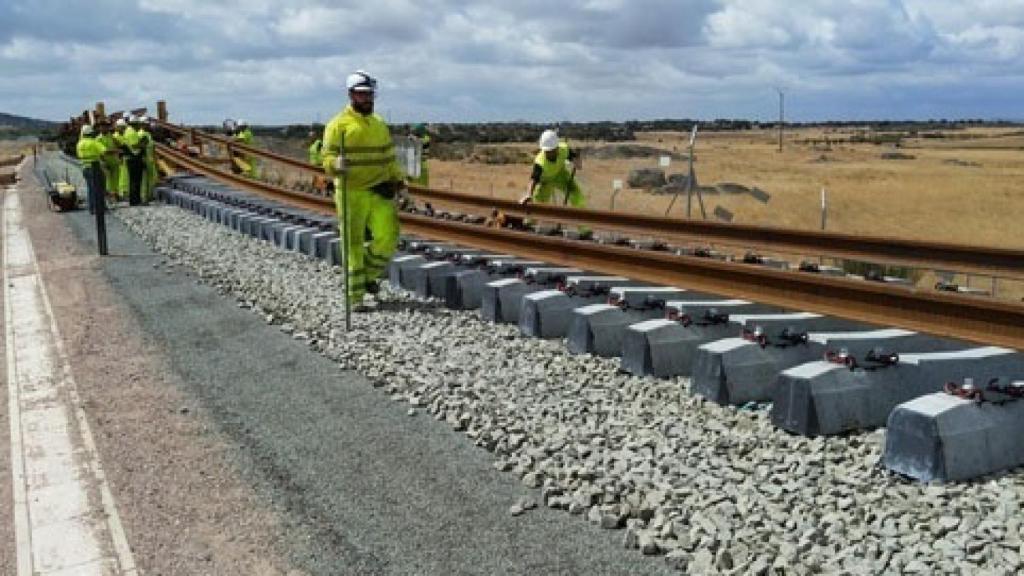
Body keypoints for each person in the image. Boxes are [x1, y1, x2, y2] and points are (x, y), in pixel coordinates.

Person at [321, 69, 405, 310]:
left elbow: (389, 157)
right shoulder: (338, 125)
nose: (367, 99)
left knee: (388, 236)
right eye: (362, 94)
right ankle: (354, 296)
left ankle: (367, 276)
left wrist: (399, 182)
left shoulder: (379, 124)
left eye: (370, 94)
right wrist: (334, 164)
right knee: (353, 243)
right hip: (351, 192)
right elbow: (326, 157)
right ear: (351, 95)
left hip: (380, 189)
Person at [521, 129, 585, 208]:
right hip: (545, 181)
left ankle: (578, 217)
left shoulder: (564, 149)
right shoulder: (540, 161)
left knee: (577, 195)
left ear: (556, 148)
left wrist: (578, 161)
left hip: (561, 175)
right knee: (536, 205)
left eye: (551, 151)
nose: (548, 153)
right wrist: (528, 194)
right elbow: (533, 179)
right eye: (546, 151)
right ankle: (529, 220)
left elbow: (574, 157)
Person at [76, 124, 107, 214]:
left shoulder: (79, 144)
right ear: (91, 133)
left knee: (90, 189)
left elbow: (78, 155)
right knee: (99, 188)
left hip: (85, 168)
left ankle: (92, 208)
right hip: (95, 168)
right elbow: (104, 151)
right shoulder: (94, 142)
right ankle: (99, 208)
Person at [123, 116, 146, 206]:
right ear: (134, 124)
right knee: (135, 181)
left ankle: (135, 200)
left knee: (133, 181)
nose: (139, 126)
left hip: (132, 158)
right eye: (138, 124)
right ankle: (135, 200)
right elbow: (134, 145)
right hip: (134, 159)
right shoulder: (131, 132)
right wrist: (143, 144)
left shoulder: (128, 131)